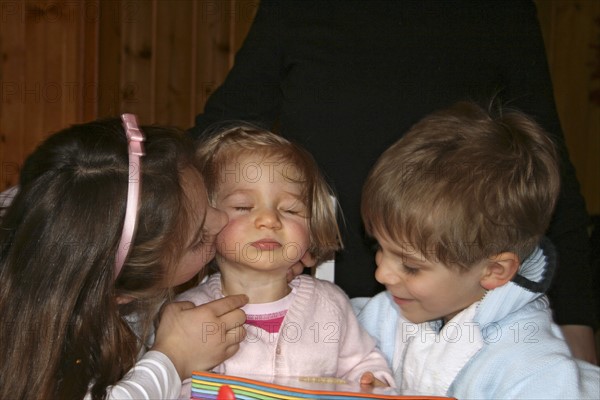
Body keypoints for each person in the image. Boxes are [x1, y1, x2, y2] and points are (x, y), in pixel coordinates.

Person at [190, 0, 597, 363]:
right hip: (328, 287)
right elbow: (214, 139)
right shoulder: (298, 10)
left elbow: (548, 163)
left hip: (459, 302)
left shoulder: (502, 12)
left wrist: (578, 325)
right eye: (244, 207)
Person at [353, 101, 600, 398]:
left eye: (411, 266)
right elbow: (337, 322)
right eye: (379, 247)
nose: (382, 273)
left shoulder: (530, 368)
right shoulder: (391, 310)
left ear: (494, 271)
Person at [0, 116, 248, 400]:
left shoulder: (67, 202)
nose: (224, 220)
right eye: (199, 240)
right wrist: (174, 358)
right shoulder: (46, 350)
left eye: (208, 199)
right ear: (120, 294)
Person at [177, 124, 394, 386]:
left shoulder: (330, 304)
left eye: (290, 210)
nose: (269, 220)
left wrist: (372, 382)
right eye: (243, 206)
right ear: (205, 220)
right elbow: (172, 382)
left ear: (313, 225)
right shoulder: (190, 314)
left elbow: (364, 362)